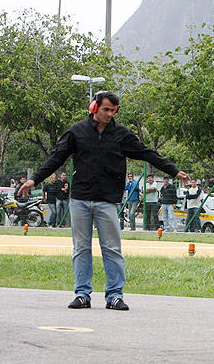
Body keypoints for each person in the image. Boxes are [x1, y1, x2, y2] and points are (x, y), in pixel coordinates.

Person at [17, 91, 189, 311]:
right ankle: (82, 294)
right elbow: (56, 158)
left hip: (107, 200)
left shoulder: (121, 135)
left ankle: (115, 295)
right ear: (94, 108)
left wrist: (174, 171)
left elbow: (147, 153)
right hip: (80, 199)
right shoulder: (76, 132)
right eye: (106, 109)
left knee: (112, 248)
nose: (109, 114)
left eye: (113, 110)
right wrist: (34, 180)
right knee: (81, 248)